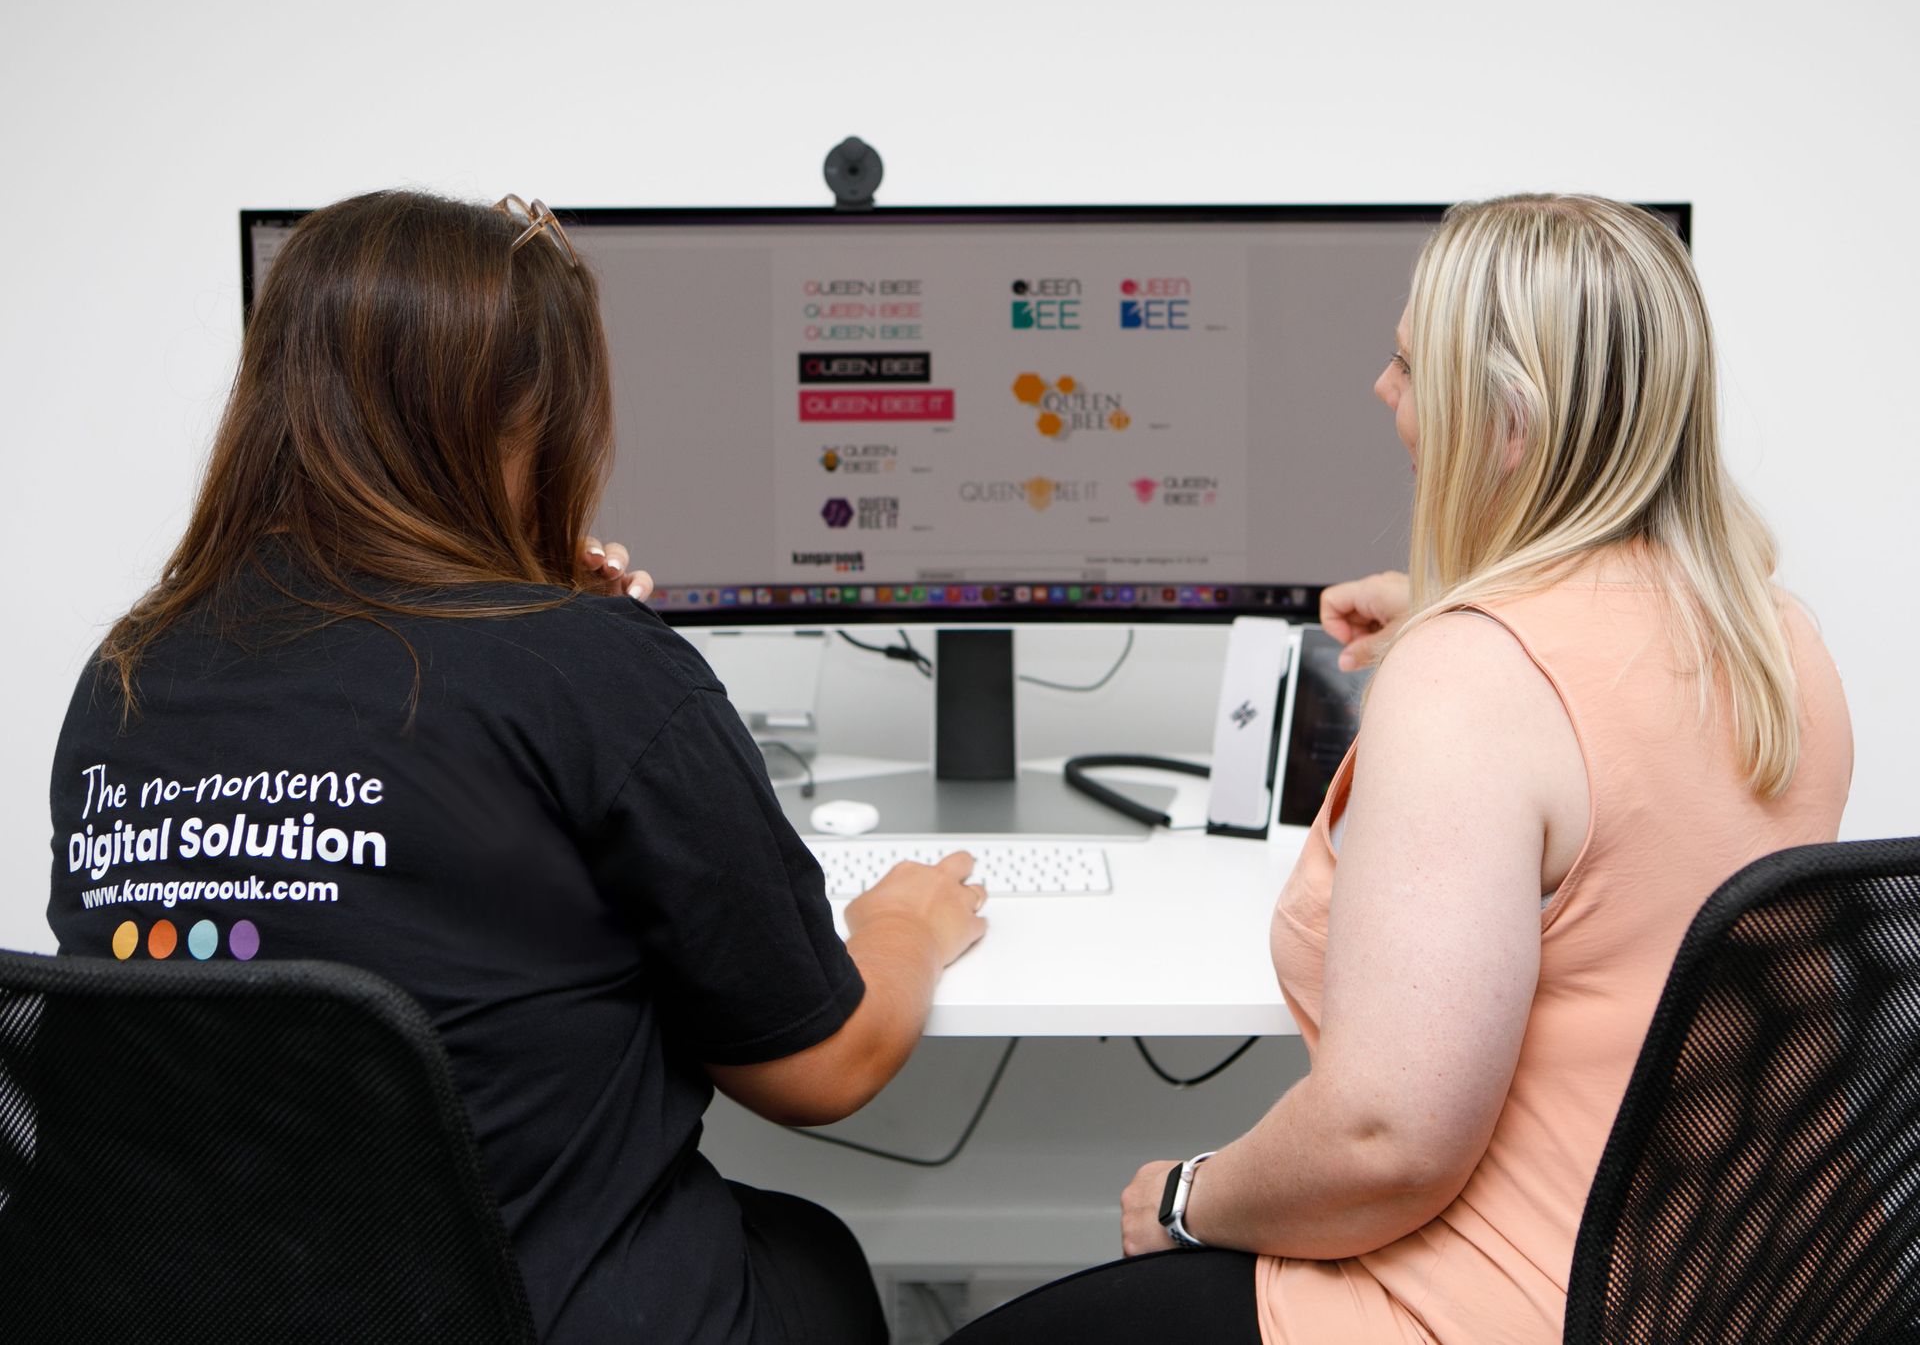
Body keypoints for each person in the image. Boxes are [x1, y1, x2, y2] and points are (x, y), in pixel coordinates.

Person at [46, 190, 990, 1345]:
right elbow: (823, 1066)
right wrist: (911, 925)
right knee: (816, 1257)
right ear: (525, 422)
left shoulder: (131, 672)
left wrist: (551, 621)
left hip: (206, 1308)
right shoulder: (587, 669)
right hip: (537, 1316)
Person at [945, 194, 1852, 1345]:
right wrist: (1450, 619)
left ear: (1506, 422)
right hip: (1724, 1285)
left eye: (1409, 364)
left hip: (1501, 1304)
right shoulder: (1780, 642)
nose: (1384, 391)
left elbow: (1387, 1141)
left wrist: (1185, 1194)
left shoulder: (1473, 684)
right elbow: (1616, 725)